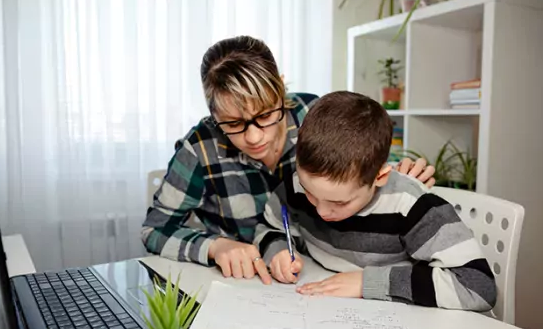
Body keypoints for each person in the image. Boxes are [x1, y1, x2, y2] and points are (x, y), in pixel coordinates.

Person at [141, 35, 436, 285]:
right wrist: (216, 247)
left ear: (280, 89)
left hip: (323, 272)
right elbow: (154, 231)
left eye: (266, 115)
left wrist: (400, 173)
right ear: (213, 114)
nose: (254, 137)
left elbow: (366, 163)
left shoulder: (315, 114)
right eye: (232, 123)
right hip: (242, 283)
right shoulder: (200, 148)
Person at [254, 91, 496, 311]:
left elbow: (478, 286)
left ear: (379, 176)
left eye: (339, 203)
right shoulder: (296, 185)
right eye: (310, 193)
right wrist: (277, 251)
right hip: (323, 305)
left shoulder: (412, 207)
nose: (321, 210)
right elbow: (270, 226)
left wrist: (366, 283)